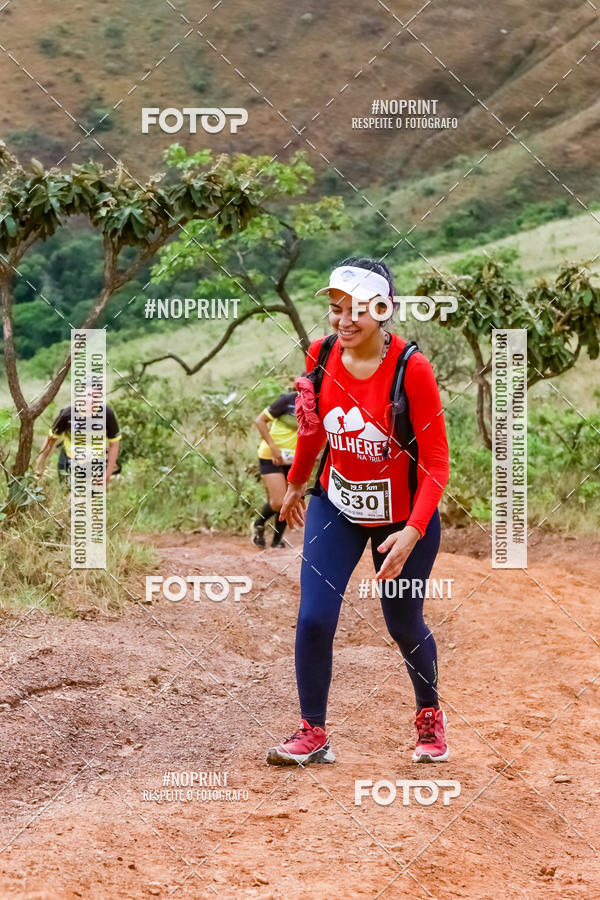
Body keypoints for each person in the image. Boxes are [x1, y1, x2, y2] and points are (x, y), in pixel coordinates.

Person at [267, 257, 450, 766]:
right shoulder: (321, 354)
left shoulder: (410, 367)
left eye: (357, 310)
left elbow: (436, 462)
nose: (343, 321)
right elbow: (312, 430)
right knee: (315, 617)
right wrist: (297, 485)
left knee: (403, 622)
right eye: (335, 309)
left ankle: (429, 714)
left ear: (383, 309)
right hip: (338, 503)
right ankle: (313, 732)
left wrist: (413, 531)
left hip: (403, 516)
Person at [35, 384, 121, 486]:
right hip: (69, 461)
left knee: (89, 497)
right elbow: (50, 440)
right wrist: (38, 467)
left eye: (95, 396)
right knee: (70, 498)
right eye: (88, 395)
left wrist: (107, 475)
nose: (90, 400)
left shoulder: (107, 414)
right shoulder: (67, 414)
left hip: (95, 462)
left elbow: (114, 445)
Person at [252, 387, 299, 549]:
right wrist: (273, 446)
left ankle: (276, 541)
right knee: (279, 502)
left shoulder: (318, 405)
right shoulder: (287, 400)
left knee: (289, 500)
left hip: (294, 459)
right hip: (271, 455)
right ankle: (258, 523)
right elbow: (259, 420)